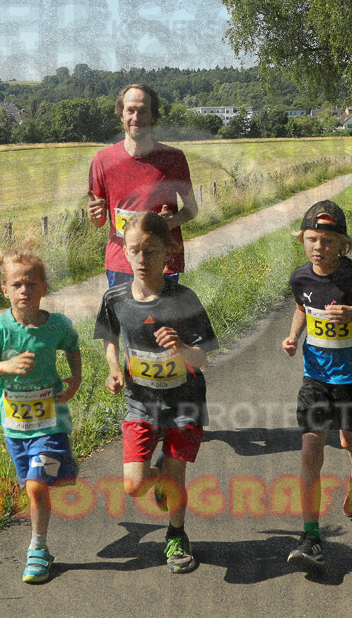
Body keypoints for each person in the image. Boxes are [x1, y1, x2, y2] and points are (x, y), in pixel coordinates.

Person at [95, 211, 218, 574]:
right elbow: (108, 337)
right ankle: (161, 474)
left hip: (185, 403)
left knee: (176, 474)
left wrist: (181, 346)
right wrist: (114, 369)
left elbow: (203, 358)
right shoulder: (115, 298)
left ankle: (176, 535)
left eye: (151, 251)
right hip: (140, 403)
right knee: (133, 486)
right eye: (135, 251)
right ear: (124, 253)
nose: (142, 259)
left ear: (169, 252)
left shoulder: (184, 299)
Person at [281, 200, 352, 566]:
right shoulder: (301, 277)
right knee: (311, 451)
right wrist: (293, 337)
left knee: (349, 439)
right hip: (316, 377)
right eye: (312, 239)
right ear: (302, 240)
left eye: (328, 240)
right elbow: (302, 306)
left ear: (343, 244)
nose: (319, 247)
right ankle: (310, 536)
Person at [0, 247, 82, 584]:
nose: (24, 291)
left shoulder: (57, 325)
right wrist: (5, 365)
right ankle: (62, 469)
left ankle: (37, 548)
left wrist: (75, 379)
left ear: (44, 287)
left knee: (35, 488)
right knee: (35, 488)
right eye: (16, 284)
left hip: (51, 422)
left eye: (31, 284)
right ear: (5, 290)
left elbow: (72, 346)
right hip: (15, 426)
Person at [87, 83, 199, 287]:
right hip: (121, 264)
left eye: (143, 111)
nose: (136, 118)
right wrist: (93, 216)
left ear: (153, 117)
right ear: (121, 114)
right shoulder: (102, 160)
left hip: (163, 264)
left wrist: (172, 222)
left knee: (166, 320)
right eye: (130, 110)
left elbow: (192, 209)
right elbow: (99, 221)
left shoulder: (174, 158)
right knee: (125, 320)